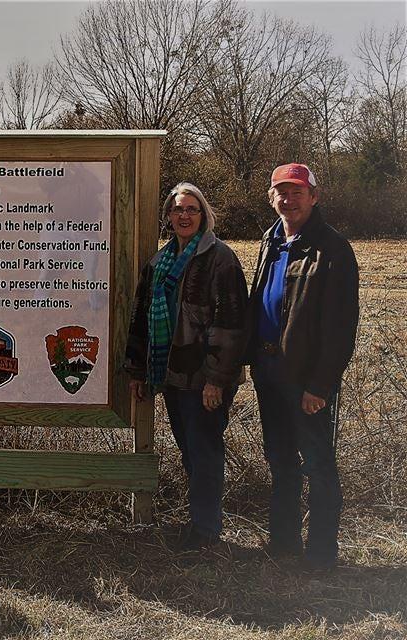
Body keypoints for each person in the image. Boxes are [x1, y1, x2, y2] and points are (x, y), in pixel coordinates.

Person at [248, 163, 359, 571]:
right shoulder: (270, 240)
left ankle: (322, 552)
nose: (288, 198)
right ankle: (284, 541)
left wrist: (321, 384)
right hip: (268, 368)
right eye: (281, 191)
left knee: (317, 463)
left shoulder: (332, 248)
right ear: (271, 197)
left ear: (314, 196)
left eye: (297, 191)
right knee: (279, 458)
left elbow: (341, 326)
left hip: (306, 377)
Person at [125, 182, 248, 551]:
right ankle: (201, 522)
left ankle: (207, 531)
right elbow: (142, 318)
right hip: (173, 375)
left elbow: (232, 323)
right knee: (189, 449)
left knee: (204, 449)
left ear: (204, 214)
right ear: (168, 217)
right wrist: (138, 370)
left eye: (192, 209)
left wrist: (217, 380)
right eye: (178, 209)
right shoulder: (159, 263)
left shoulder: (220, 258)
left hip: (204, 378)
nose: (184, 215)